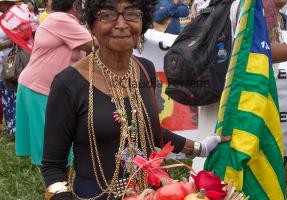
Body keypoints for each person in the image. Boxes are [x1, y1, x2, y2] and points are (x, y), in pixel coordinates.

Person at [41, 0, 231, 199]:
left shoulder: (145, 70)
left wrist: (201, 147)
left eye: (132, 14)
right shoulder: (68, 83)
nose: (122, 24)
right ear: (91, 25)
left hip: (147, 193)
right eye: (107, 14)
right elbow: (53, 166)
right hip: (95, 194)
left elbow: (150, 129)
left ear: (143, 22)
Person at [15, 0, 93, 165]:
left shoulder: (61, 20)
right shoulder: (61, 20)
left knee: (56, 142)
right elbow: (96, 45)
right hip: (39, 88)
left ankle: (59, 185)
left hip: (44, 87)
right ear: (75, 6)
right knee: (51, 148)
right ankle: (55, 188)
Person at [0, 0, 18, 136]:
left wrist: (2, 45)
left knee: (11, 93)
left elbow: (17, 39)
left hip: (10, 62)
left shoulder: (11, 18)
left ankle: (14, 128)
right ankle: (10, 126)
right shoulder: (3, 18)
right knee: (5, 96)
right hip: (2, 63)